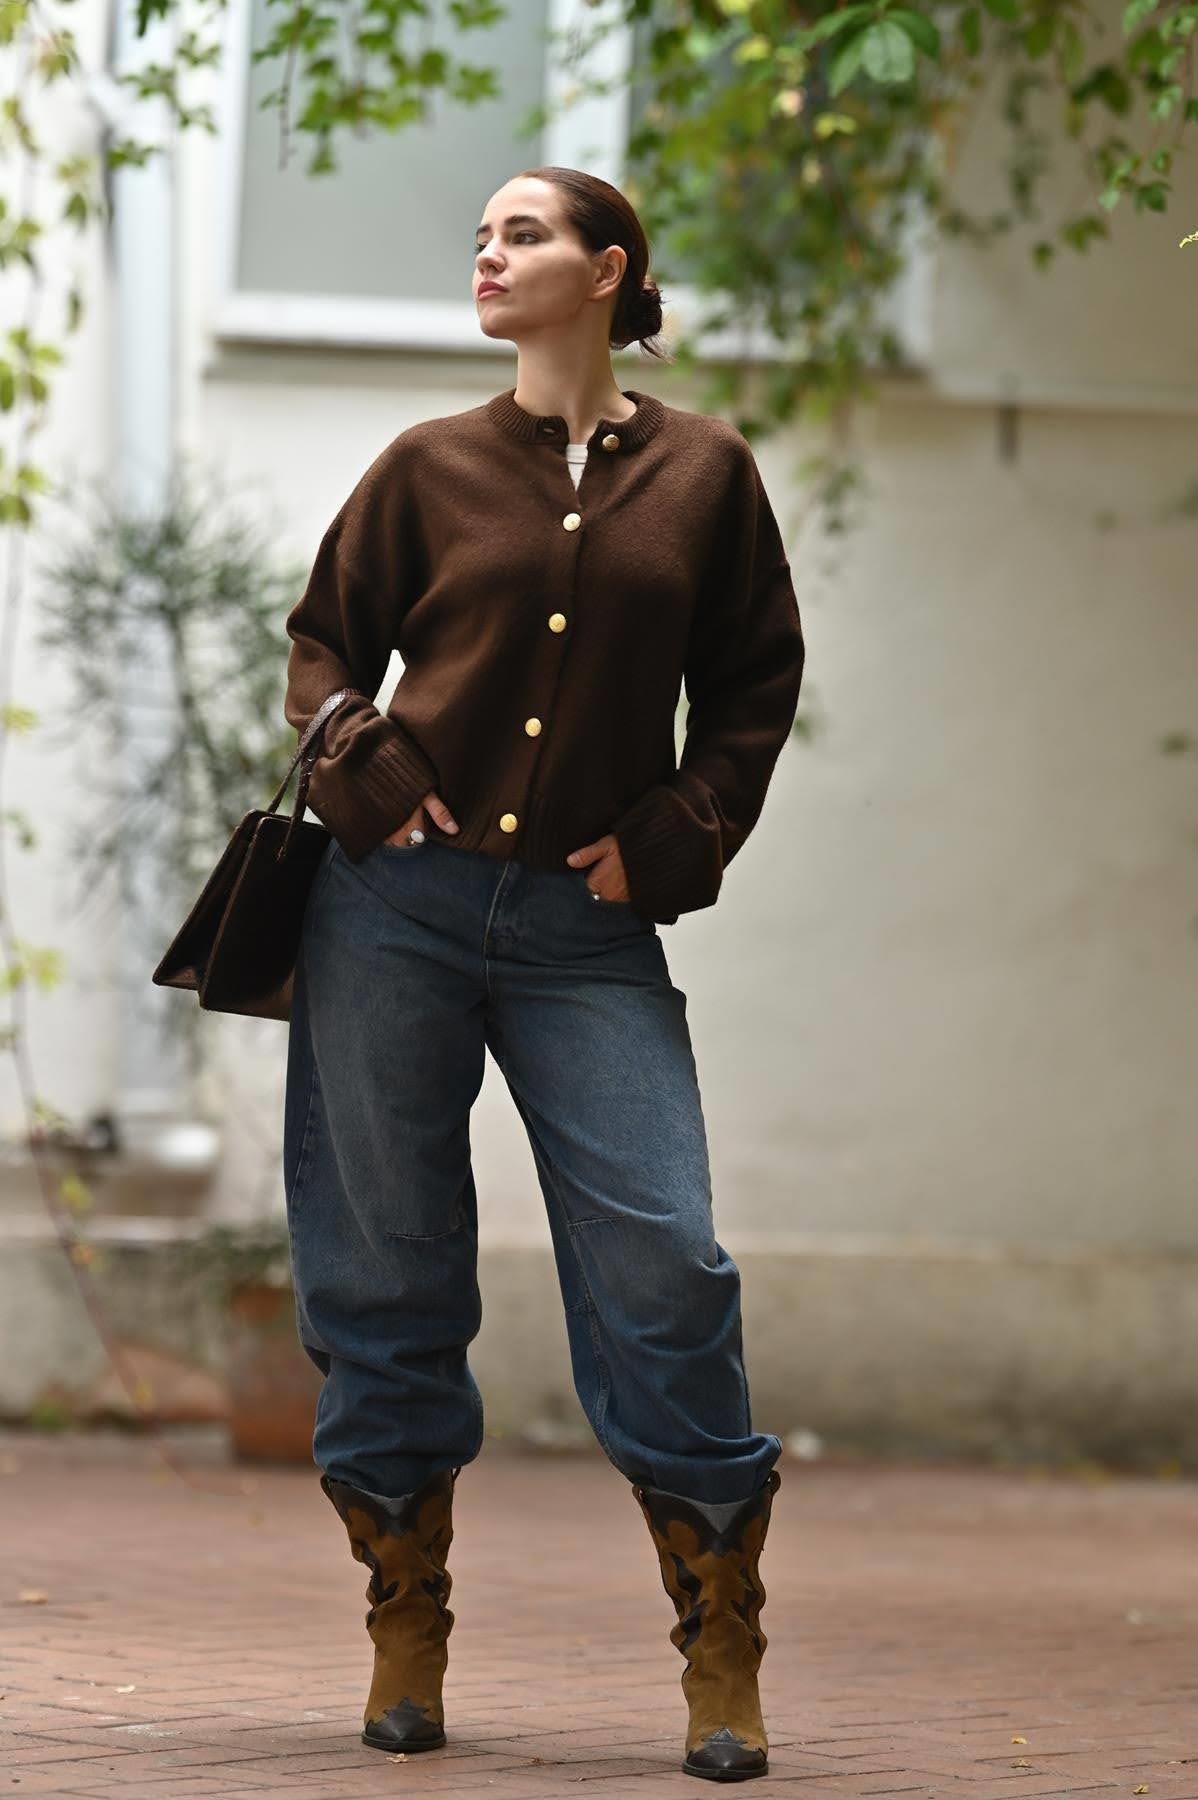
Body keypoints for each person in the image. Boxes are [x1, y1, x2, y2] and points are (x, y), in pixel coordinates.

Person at [281, 164, 805, 1783]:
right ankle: (405, 1617)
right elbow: (321, 645)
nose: (487, 257)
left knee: (666, 1258)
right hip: (391, 911)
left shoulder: (706, 476)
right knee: (384, 1257)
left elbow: (754, 684)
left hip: (588, 932)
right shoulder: (426, 466)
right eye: (482, 239)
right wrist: (364, 767)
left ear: (607, 268)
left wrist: (681, 832)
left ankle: (720, 1640)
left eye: (521, 234)